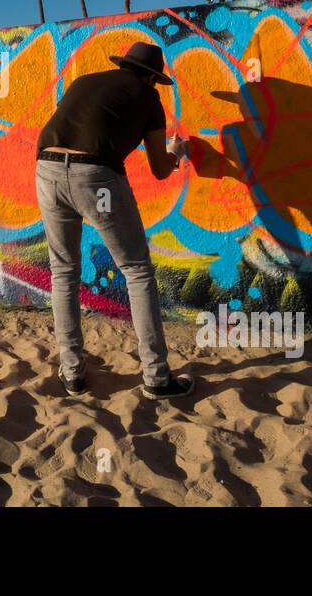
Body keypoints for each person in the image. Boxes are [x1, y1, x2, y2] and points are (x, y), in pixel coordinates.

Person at [35, 41, 194, 401]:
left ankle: (72, 373)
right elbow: (158, 169)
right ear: (153, 78)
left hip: (46, 169)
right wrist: (176, 152)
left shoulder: (84, 81)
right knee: (137, 271)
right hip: (96, 178)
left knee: (63, 272)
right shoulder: (149, 99)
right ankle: (156, 377)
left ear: (124, 65)